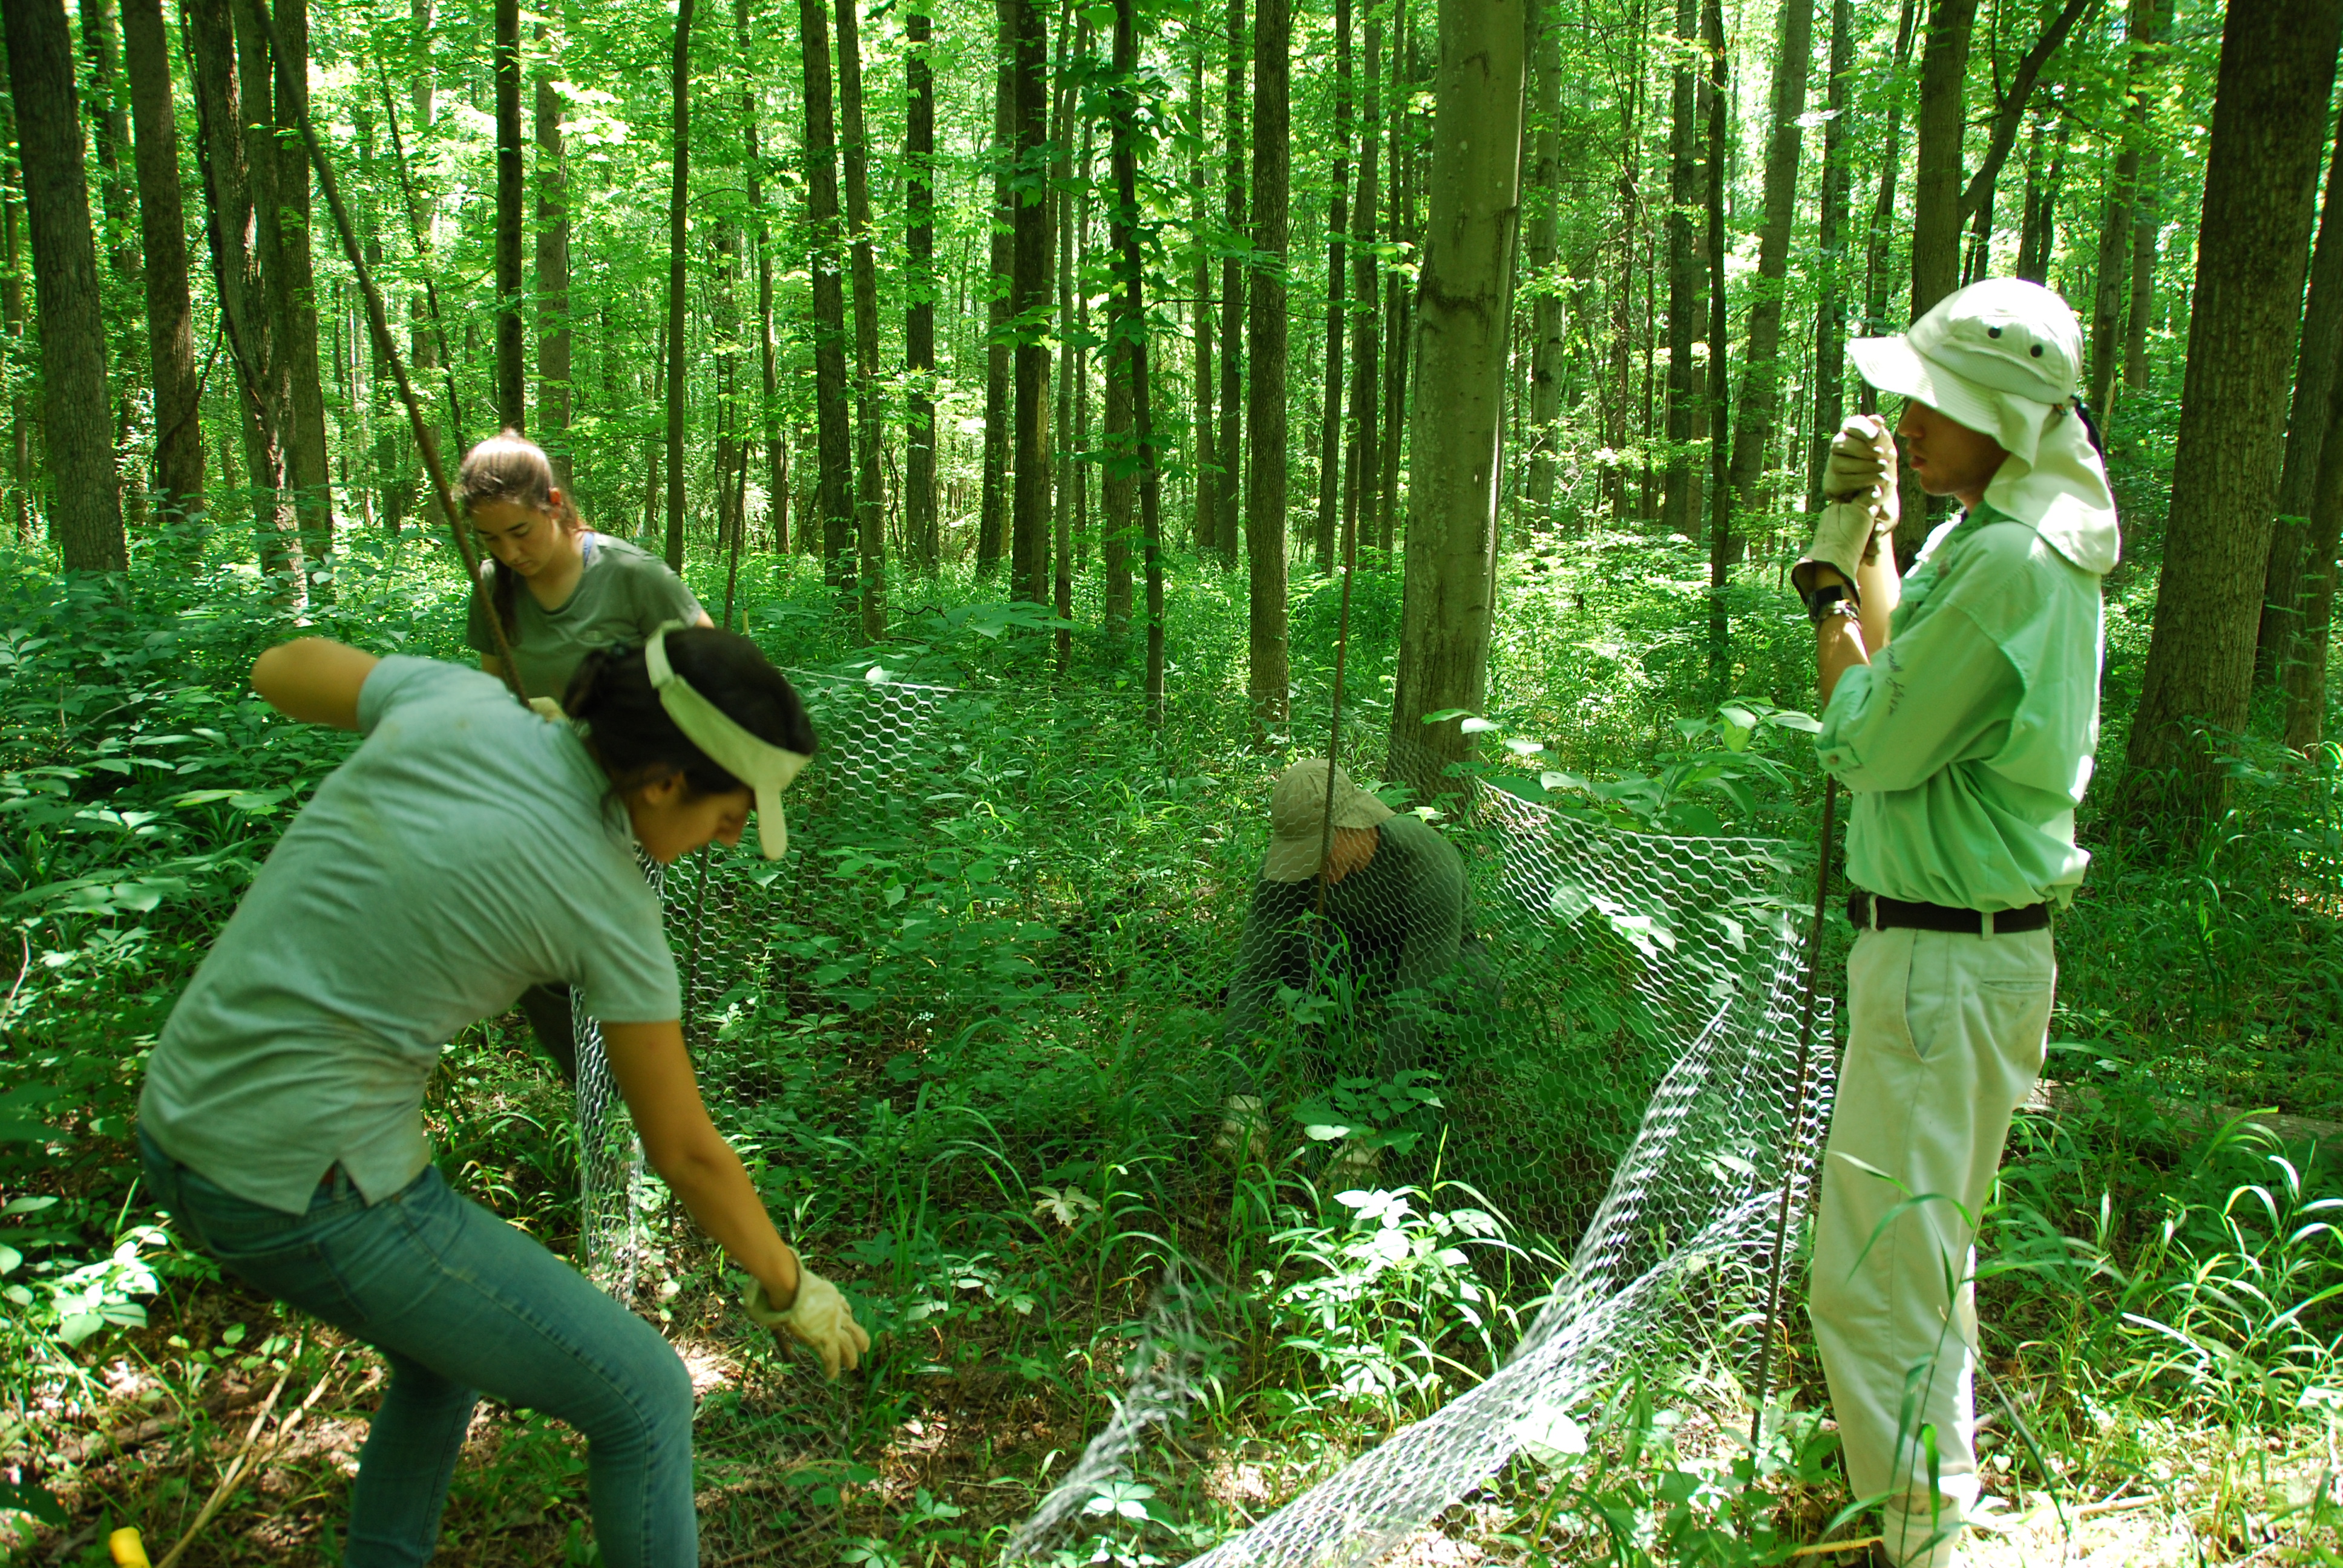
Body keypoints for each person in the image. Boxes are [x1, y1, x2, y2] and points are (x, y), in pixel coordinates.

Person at [137, 627, 870, 1568]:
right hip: (302, 1180)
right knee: (647, 1396)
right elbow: (685, 1151)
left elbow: (277, 667)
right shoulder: (612, 905)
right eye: (730, 816)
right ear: (660, 782)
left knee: (445, 1363)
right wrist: (790, 1285)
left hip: (182, 1117)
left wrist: (473, 724)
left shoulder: (458, 703)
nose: (731, 841)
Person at [1791, 277, 2118, 1568]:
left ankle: (1926, 1545)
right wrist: (1864, 533)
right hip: (1943, 954)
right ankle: (1932, 1514)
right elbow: (1903, 666)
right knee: (1915, 1269)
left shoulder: (2005, 568)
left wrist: (1822, 591)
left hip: (1941, 960)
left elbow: (1867, 737)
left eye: (1939, 402)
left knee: (1869, 1284)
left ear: (2009, 419)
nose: (1909, 418)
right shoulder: (1994, 540)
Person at [458, 430, 713, 1081]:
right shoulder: (493, 588)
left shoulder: (630, 578)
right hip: (537, 792)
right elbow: (495, 692)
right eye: (490, 539)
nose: (508, 553)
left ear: (552, 504)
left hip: (626, 790)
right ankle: (602, 1092)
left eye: (520, 531)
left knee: (593, 948)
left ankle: (639, 1089)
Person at [1216, 758, 1494, 1167]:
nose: (1314, 868)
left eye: (1320, 852)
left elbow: (1417, 998)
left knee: (1477, 985)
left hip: (1434, 956)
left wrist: (1371, 1132)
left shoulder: (1426, 862)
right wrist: (1243, 1099)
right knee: (1306, 949)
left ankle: (1426, 1104)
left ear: (1355, 824)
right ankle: (1320, 1078)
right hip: (1351, 953)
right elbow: (1253, 974)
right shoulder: (1294, 872)